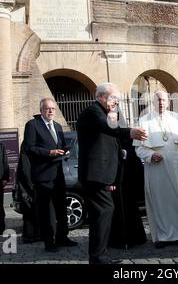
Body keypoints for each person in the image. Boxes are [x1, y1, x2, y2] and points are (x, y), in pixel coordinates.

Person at [77, 83, 147, 264]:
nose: (116, 102)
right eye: (113, 98)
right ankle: (99, 257)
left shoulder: (107, 114)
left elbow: (115, 140)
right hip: (95, 174)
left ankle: (100, 256)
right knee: (103, 212)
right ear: (101, 97)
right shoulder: (93, 112)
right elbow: (107, 127)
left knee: (102, 213)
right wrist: (130, 131)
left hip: (104, 174)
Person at [134, 91, 178, 248]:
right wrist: (151, 154)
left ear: (168, 102)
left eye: (164, 100)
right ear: (153, 102)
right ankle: (163, 236)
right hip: (157, 170)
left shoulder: (176, 118)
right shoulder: (144, 120)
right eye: (157, 100)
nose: (161, 103)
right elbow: (139, 149)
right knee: (161, 202)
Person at [23, 98, 77, 252]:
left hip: (58, 174)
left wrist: (63, 151)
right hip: (43, 175)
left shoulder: (58, 126)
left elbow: (59, 146)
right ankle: (49, 241)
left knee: (61, 207)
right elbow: (29, 148)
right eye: (48, 108)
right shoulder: (33, 125)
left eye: (53, 108)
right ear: (41, 110)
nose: (51, 111)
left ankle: (62, 237)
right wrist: (49, 152)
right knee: (47, 211)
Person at [108, 136, 147, 249]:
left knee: (130, 208)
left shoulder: (127, 137)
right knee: (117, 210)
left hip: (129, 178)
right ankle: (120, 239)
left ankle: (135, 237)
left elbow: (135, 159)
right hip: (116, 179)